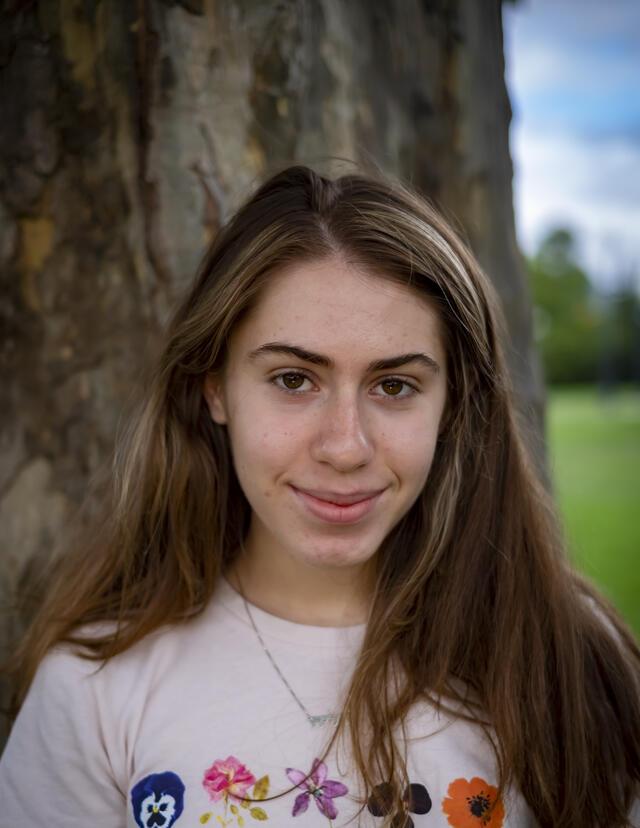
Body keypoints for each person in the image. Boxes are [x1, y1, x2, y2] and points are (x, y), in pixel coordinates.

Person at [0, 165, 638, 828]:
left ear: (452, 405)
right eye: (293, 378)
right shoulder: (95, 687)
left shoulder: (569, 657)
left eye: (394, 386)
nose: (345, 446)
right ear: (214, 386)